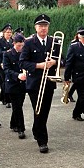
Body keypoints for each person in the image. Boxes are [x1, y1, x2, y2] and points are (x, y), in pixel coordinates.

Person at [19, 14, 59, 153]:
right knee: (39, 110)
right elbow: (22, 62)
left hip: (49, 82)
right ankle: (43, 141)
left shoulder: (55, 41)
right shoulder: (29, 42)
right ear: (36, 27)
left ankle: (36, 129)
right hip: (35, 83)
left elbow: (63, 60)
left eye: (45, 26)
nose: (43, 28)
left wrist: (55, 62)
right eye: (40, 26)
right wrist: (39, 65)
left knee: (45, 111)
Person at [3, 34, 27, 139]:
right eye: (18, 46)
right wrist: (17, 75)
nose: (21, 48)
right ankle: (21, 129)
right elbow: (6, 69)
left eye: (22, 45)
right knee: (17, 106)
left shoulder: (25, 53)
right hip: (12, 83)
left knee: (18, 106)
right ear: (14, 44)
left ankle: (13, 123)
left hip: (23, 84)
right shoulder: (7, 54)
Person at [0, 24, 13, 108]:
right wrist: (7, 52)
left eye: (10, 32)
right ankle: (6, 99)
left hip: (10, 63)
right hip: (1, 63)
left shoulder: (13, 40)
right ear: (3, 33)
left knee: (9, 81)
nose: (9, 34)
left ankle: (3, 97)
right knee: (3, 82)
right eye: (7, 32)